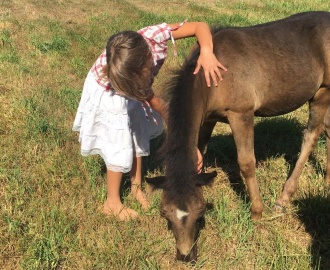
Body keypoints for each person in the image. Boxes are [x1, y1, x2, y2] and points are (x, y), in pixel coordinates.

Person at [72, 21, 227, 221]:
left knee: (137, 131)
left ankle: (136, 187)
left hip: (129, 87)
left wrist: (206, 51)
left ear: (146, 57)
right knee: (118, 144)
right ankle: (112, 202)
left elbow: (200, 27)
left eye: (142, 77)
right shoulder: (125, 83)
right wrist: (188, 144)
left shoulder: (152, 36)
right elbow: (161, 107)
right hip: (109, 93)